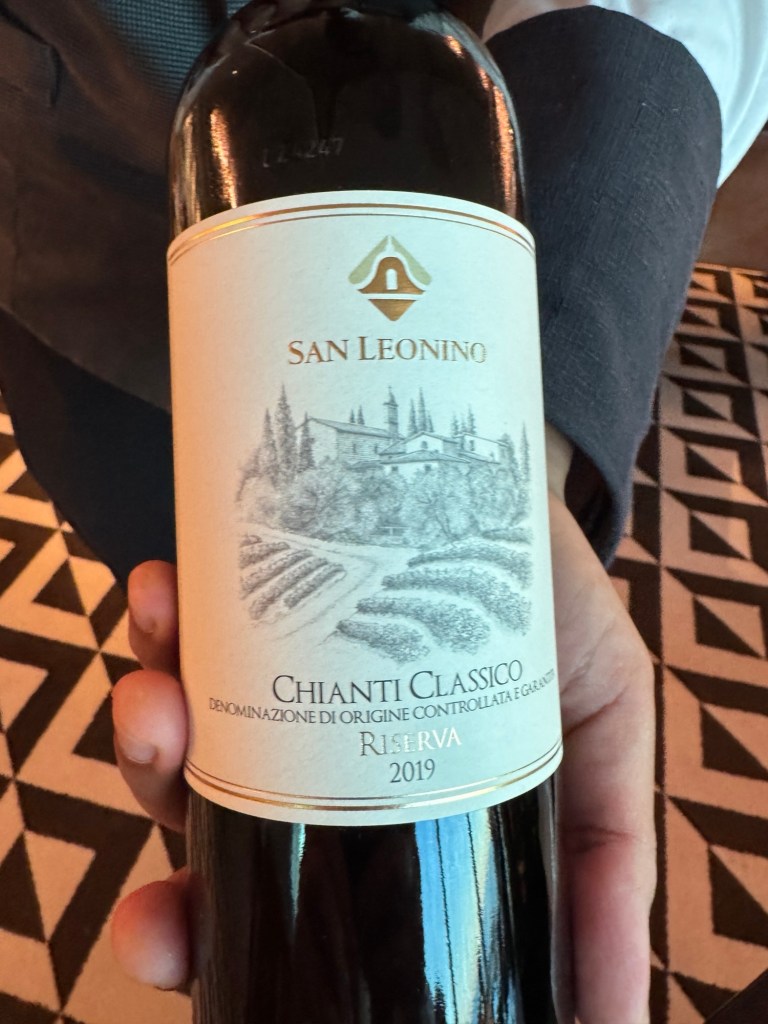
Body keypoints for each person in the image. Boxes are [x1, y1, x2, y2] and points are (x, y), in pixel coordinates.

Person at [0, 1, 766, 1022]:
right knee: (221, 682)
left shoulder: (451, 69)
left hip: (459, 238)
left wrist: (522, 465)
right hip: (80, 275)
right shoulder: (226, 87)